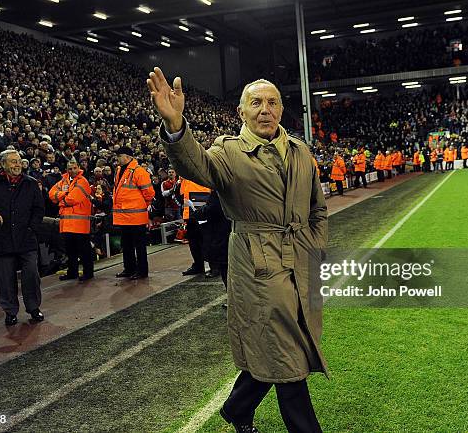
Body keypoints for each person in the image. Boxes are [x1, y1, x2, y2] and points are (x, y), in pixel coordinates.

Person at [149, 67, 327, 433]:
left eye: (273, 102)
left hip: (299, 259)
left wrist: (315, 244)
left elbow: (317, 207)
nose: (266, 109)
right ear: (241, 112)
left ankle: (236, 408)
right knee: (287, 351)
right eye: (256, 102)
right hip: (257, 263)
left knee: (276, 344)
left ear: (281, 109)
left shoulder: (299, 149)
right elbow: (196, 164)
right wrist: (176, 127)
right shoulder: (228, 152)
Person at [0, 149, 45, 326]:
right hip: (0, 239)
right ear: (3, 164)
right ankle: (10, 311)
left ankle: (34, 308)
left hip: (26, 239)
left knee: (31, 275)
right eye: (13, 161)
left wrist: (31, 229)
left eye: (19, 160)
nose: (17, 164)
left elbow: (38, 209)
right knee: (5, 279)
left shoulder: (31, 183)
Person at [112, 146, 155, 280]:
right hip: (124, 217)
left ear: (128, 157)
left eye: (120, 156)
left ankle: (142, 271)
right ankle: (129, 268)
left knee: (139, 246)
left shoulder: (139, 171)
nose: (117, 158)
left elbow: (149, 193)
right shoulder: (119, 170)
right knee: (127, 245)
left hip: (136, 216)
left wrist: (143, 205)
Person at [48, 159, 94, 282]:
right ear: (67, 169)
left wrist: (60, 201)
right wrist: (65, 194)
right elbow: (51, 194)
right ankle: (72, 272)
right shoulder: (64, 181)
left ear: (78, 168)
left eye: (74, 168)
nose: (72, 171)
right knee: (70, 251)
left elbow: (73, 199)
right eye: (70, 169)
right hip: (67, 224)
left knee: (84, 250)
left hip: (80, 223)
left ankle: (88, 273)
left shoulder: (82, 181)